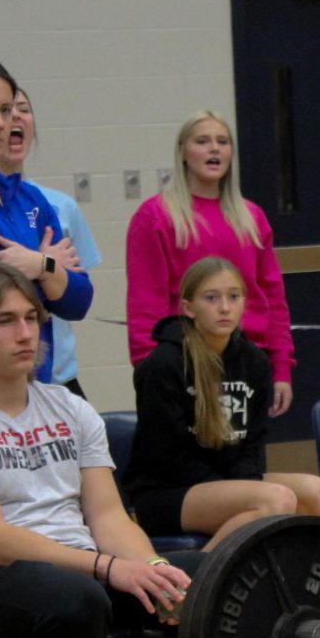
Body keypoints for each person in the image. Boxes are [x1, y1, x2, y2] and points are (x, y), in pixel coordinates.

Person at [0, 263, 196, 638]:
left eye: (32, 318)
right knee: (77, 601)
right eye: (6, 321)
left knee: (209, 579)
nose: (26, 333)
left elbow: (107, 517)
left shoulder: (69, 409)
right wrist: (110, 569)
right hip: (7, 579)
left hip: (84, 569)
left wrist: (154, 572)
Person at [123, 256, 320, 552]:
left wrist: (242, 484)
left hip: (228, 480)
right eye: (211, 298)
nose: (225, 307)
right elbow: (165, 455)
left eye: (233, 297)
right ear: (188, 308)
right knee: (276, 500)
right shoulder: (163, 365)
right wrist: (235, 488)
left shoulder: (254, 361)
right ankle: (199, 584)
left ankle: (284, 581)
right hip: (168, 492)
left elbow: (252, 444)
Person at [125, 110, 296, 416]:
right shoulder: (156, 217)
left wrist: (281, 366)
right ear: (183, 153)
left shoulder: (251, 217)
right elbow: (145, 302)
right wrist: (148, 369)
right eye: (203, 141)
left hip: (247, 358)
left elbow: (272, 297)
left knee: (244, 459)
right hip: (183, 361)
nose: (214, 148)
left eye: (222, 141)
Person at [0, 86, 101, 398]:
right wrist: (48, 272)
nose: (8, 119)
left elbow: (79, 299)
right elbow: (0, 294)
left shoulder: (42, 202)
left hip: (53, 377)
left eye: (18, 108)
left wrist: (39, 264)